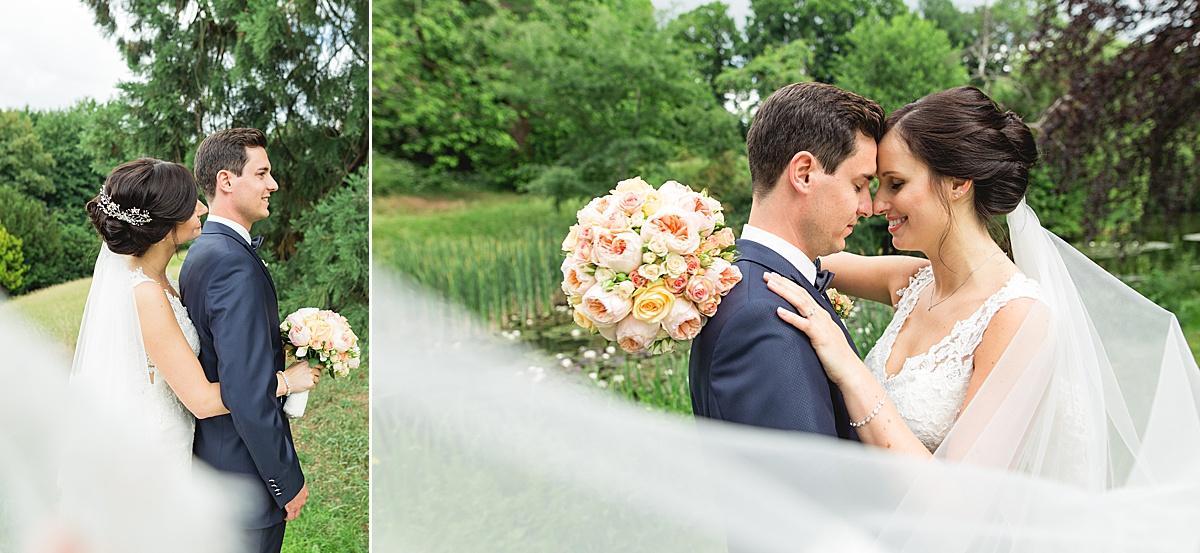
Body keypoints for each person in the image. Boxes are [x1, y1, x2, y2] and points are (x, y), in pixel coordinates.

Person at [72, 158, 318, 474]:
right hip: (157, 454)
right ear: (163, 227)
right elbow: (201, 401)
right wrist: (284, 382)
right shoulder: (145, 294)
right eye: (191, 205)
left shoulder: (163, 280)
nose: (202, 208)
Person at [689, 82, 884, 438]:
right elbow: (807, 487)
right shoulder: (762, 316)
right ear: (804, 173)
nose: (867, 207)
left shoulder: (756, 281)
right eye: (858, 185)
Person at [180, 128, 308, 553]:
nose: (272, 184)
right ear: (226, 181)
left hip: (216, 466)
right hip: (245, 484)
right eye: (262, 173)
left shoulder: (204, 251)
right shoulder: (233, 264)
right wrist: (286, 481)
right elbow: (247, 394)